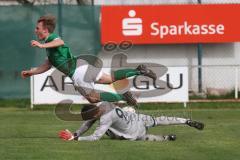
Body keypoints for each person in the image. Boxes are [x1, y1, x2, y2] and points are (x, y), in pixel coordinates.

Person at [21, 14, 156, 105]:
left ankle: (123, 97)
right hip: (82, 65)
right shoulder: (49, 48)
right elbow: (47, 65)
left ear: (45, 30)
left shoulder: (51, 39)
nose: (35, 30)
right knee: (109, 79)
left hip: (77, 72)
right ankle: (139, 70)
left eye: (37, 28)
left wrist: (41, 45)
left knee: (93, 98)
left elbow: (60, 42)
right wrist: (31, 72)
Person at [59, 102, 204, 141]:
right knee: (159, 119)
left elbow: (95, 137)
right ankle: (186, 120)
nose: (89, 119)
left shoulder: (105, 118)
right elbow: (87, 122)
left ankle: (166, 138)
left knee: (142, 138)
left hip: (133, 132)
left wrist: (76, 138)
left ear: (94, 112)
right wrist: (75, 133)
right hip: (137, 118)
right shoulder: (103, 104)